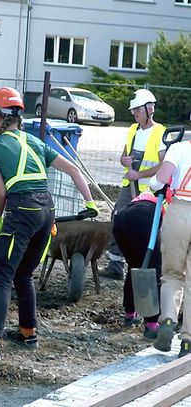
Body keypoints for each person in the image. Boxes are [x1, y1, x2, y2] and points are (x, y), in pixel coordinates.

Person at [0, 87, 99, 367]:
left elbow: (0, 192)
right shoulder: (34, 142)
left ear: (2, 116)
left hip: (22, 208)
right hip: (48, 210)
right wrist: (90, 202)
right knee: (23, 273)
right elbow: (73, 169)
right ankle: (27, 332)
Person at [104, 89, 166, 280]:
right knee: (119, 218)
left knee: (148, 227)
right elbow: (124, 155)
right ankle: (115, 263)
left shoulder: (160, 132)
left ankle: (150, 265)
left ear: (150, 109)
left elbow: (163, 165)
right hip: (129, 185)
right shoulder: (133, 129)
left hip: (150, 189)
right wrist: (125, 161)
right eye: (133, 110)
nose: (134, 113)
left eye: (137, 109)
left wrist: (139, 173)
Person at [149, 139, 191, 358]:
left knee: (172, 273)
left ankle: (167, 320)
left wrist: (153, 186)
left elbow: (161, 179)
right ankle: (187, 342)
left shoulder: (179, 148)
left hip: (180, 210)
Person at [112, 190, 170, 339]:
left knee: (134, 267)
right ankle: (151, 325)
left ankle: (129, 315)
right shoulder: (176, 198)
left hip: (121, 219)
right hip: (144, 219)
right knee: (153, 271)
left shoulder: (157, 190)